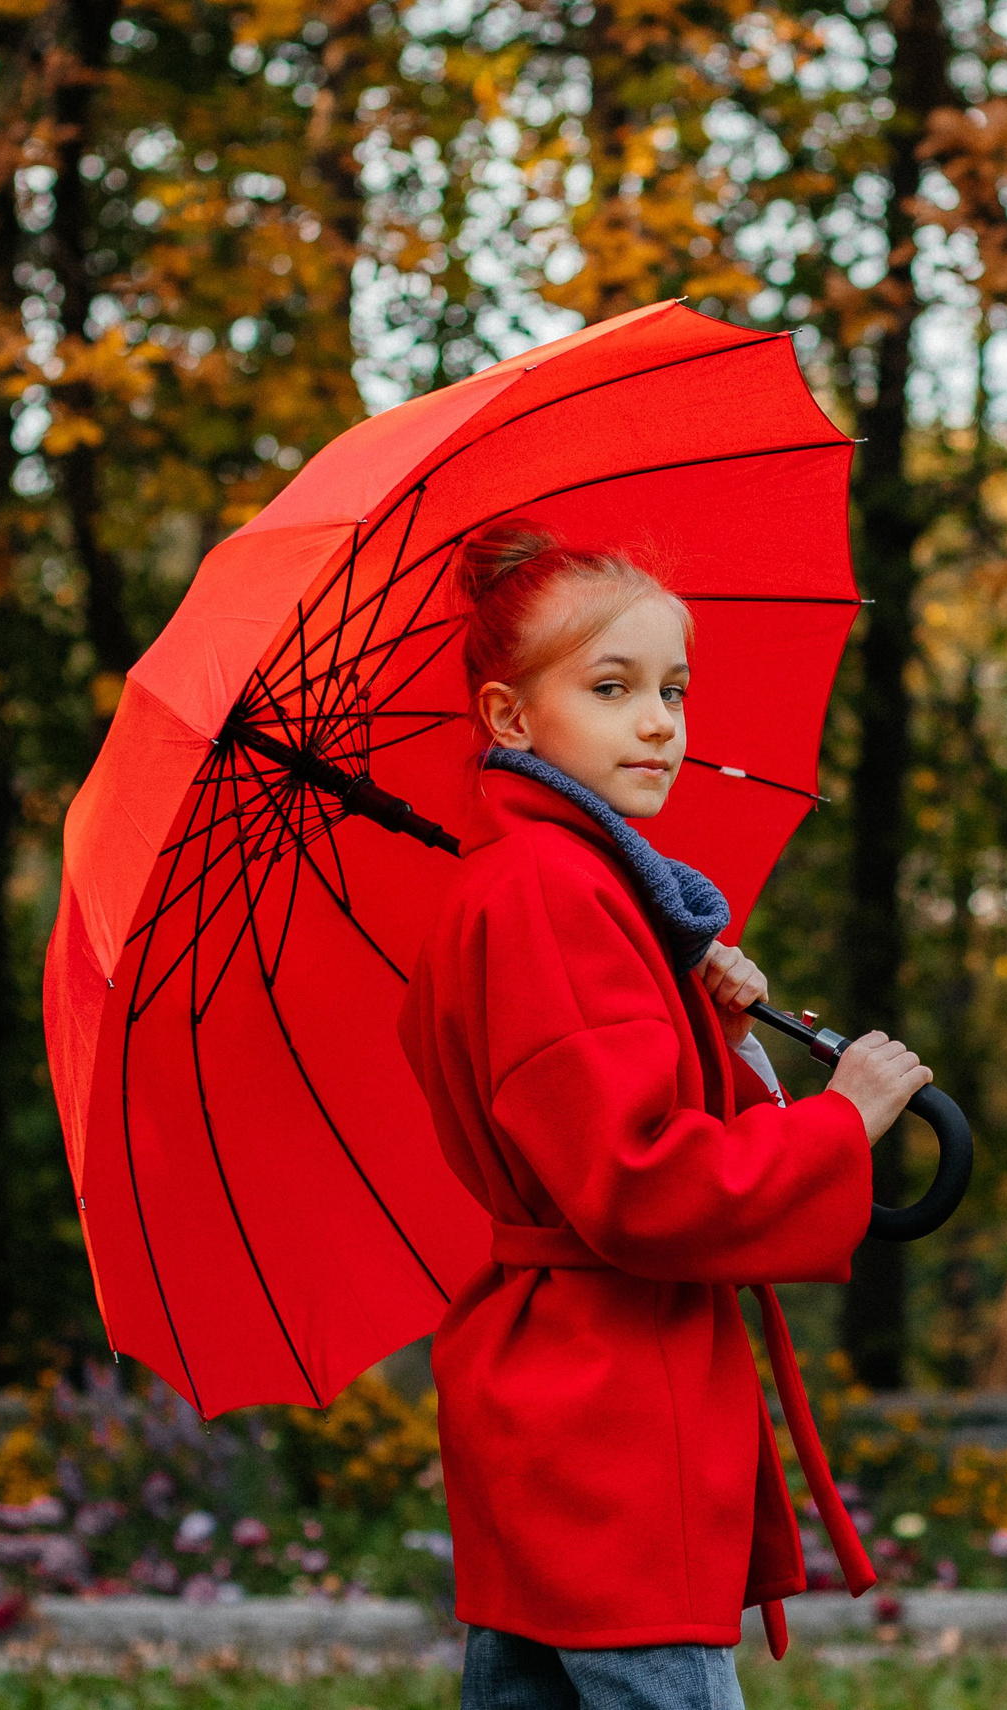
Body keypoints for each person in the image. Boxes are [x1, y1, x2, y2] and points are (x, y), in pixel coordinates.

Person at [396, 521, 932, 1710]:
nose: (659, 722)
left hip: (557, 1396)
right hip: (610, 1401)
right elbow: (638, 1180)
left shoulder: (570, 887)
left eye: (673, 689)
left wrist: (726, 1034)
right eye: (611, 687)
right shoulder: (552, 891)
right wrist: (843, 1120)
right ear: (508, 718)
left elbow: (610, 1124)